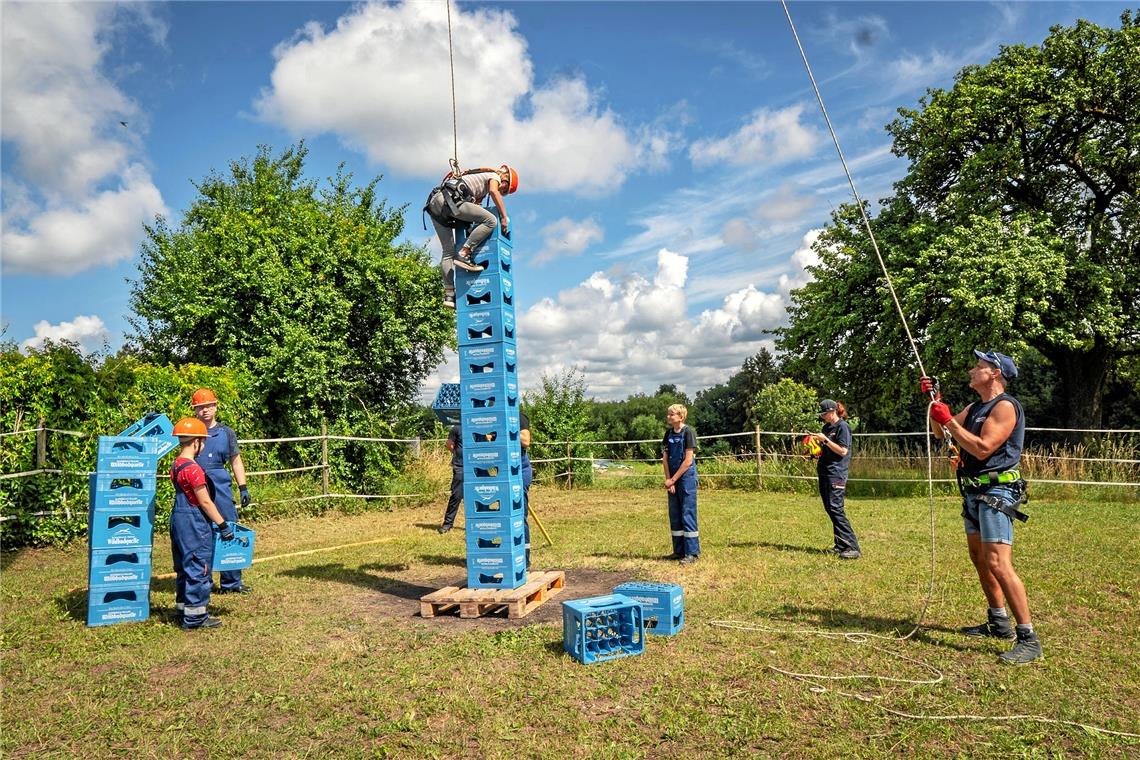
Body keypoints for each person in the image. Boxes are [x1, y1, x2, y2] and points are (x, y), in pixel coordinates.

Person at [924, 349, 1043, 664]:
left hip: (997, 492)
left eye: (978, 366)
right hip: (973, 493)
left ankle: (1029, 638)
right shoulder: (974, 407)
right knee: (980, 558)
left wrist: (948, 419)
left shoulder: (1005, 407)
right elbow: (942, 432)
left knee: (998, 563)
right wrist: (936, 405)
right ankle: (999, 622)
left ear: (995, 373)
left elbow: (981, 448)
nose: (972, 370)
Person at [169, 417, 235, 630]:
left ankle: (182, 610)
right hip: (194, 522)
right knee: (199, 567)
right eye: (203, 441)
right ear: (196, 442)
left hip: (178, 520)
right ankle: (196, 617)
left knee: (184, 568)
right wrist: (223, 524)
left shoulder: (176, 465)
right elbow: (205, 501)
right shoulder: (194, 469)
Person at [424, 164, 519, 309]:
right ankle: (465, 252)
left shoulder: (477, 180)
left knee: (448, 251)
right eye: (504, 189)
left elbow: (477, 208)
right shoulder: (495, 176)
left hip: (435, 203)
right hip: (452, 201)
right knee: (491, 220)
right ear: (506, 179)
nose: (501, 190)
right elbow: (494, 191)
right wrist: (504, 217)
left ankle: (449, 294)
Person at [191, 388, 252, 594]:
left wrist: (242, 487)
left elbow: (235, 461)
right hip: (197, 485)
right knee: (201, 532)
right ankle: (203, 581)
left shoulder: (227, 433)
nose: (205, 410)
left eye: (208, 406)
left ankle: (231, 582)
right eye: (200, 407)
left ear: (215, 407)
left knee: (229, 527)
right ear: (195, 410)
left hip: (221, 486)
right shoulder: (191, 431)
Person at [809, 399, 861, 559]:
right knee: (830, 508)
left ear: (831, 412)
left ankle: (853, 547)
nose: (822, 417)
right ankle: (840, 545)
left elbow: (843, 451)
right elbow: (828, 450)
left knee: (836, 508)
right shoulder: (826, 428)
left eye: (823, 414)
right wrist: (813, 452)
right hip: (825, 471)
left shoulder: (843, 427)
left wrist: (825, 440)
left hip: (836, 473)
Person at [661, 404, 700, 565]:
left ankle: (692, 553)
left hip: (686, 479)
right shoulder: (668, 434)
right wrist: (668, 480)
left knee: (687, 512)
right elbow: (665, 458)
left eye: (672, 414)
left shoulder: (688, 433)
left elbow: (688, 460)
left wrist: (674, 479)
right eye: (668, 414)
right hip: (673, 479)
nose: (668, 417)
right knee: (675, 513)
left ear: (681, 417)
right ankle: (678, 551)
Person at [439, 423, 463, 533]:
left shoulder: (480, 426)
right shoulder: (457, 428)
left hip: (476, 465)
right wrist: (457, 454)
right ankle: (447, 523)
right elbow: (449, 444)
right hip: (460, 466)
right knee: (456, 495)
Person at [519, 410, 532, 568]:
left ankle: (524, 558)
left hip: (520, 470)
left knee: (519, 517)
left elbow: (525, 440)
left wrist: (502, 432)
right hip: (501, 471)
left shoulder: (518, 416)